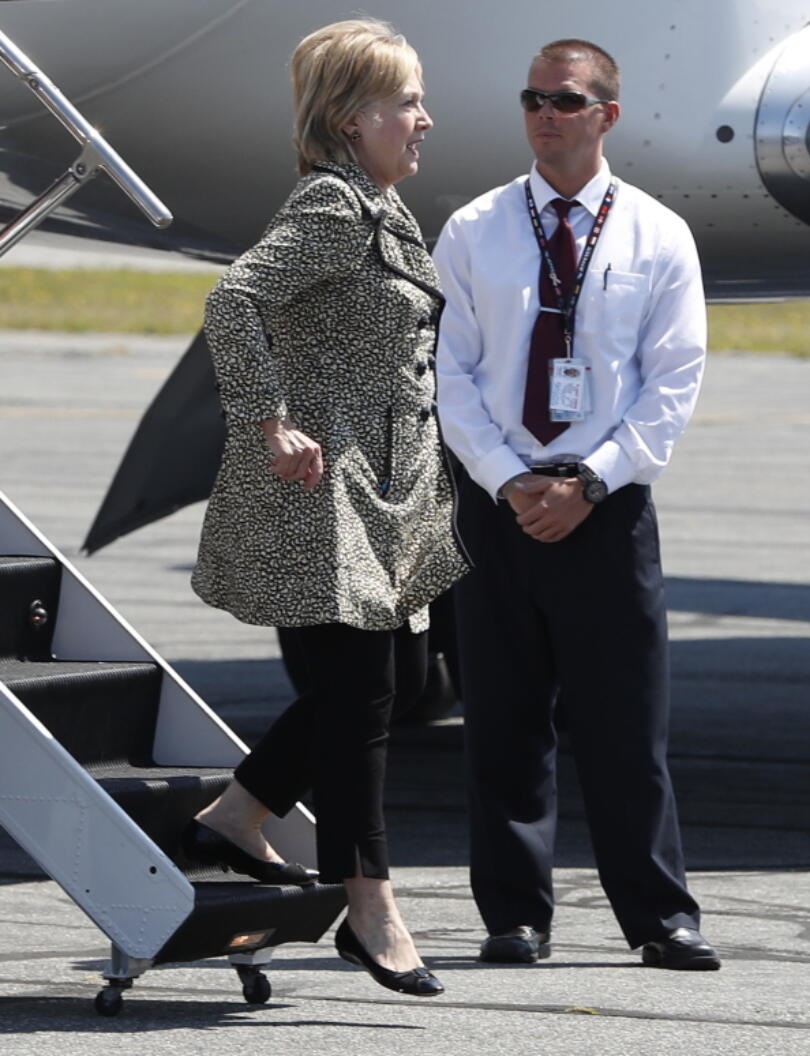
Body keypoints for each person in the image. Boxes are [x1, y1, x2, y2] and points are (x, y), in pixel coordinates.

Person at [185, 19, 469, 996]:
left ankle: (238, 814)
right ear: (352, 119)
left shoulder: (382, 207)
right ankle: (369, 899)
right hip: (321, 492)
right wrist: (268, 422)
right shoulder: (332, 208)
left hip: (378, 492)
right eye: (405, 103)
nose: (424, 118)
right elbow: (234, 302)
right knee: (365, 700)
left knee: (388, 686)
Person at [433, 38, 719, 970]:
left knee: (624, 727)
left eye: (565, 99)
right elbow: (450, 373)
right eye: (533, 100)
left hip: (607, 508)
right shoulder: (475, 228)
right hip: (499, 505)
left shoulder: (656, 234)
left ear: (608, 115)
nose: (545, 114)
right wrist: (509, 481)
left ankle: (659, 916)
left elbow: (671, 384)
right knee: (504, 725)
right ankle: (515, 916)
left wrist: (589, 482)